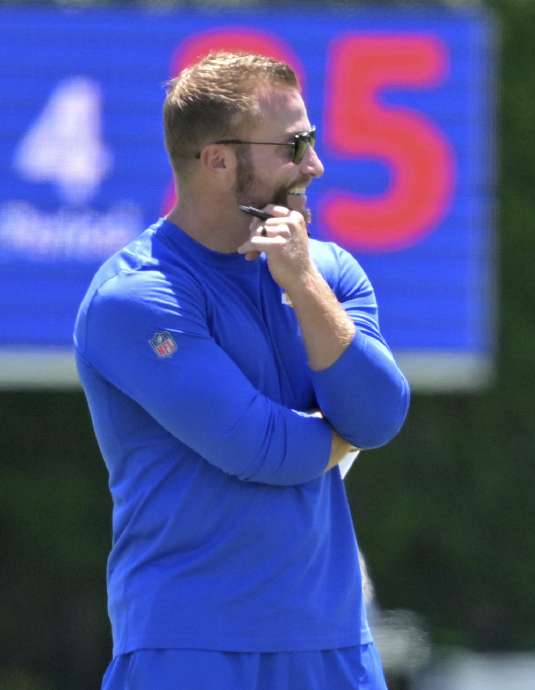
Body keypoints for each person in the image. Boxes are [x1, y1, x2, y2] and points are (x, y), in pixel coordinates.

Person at [73, 51, 410, 690]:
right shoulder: (136, 295)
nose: (315, 164)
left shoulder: (327, 270)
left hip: (335, 647)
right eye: (295, 145)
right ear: (219, 161)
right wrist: (342, 434)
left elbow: (381, 413)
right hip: (189, 650)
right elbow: (263, 448)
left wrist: (304, 283)